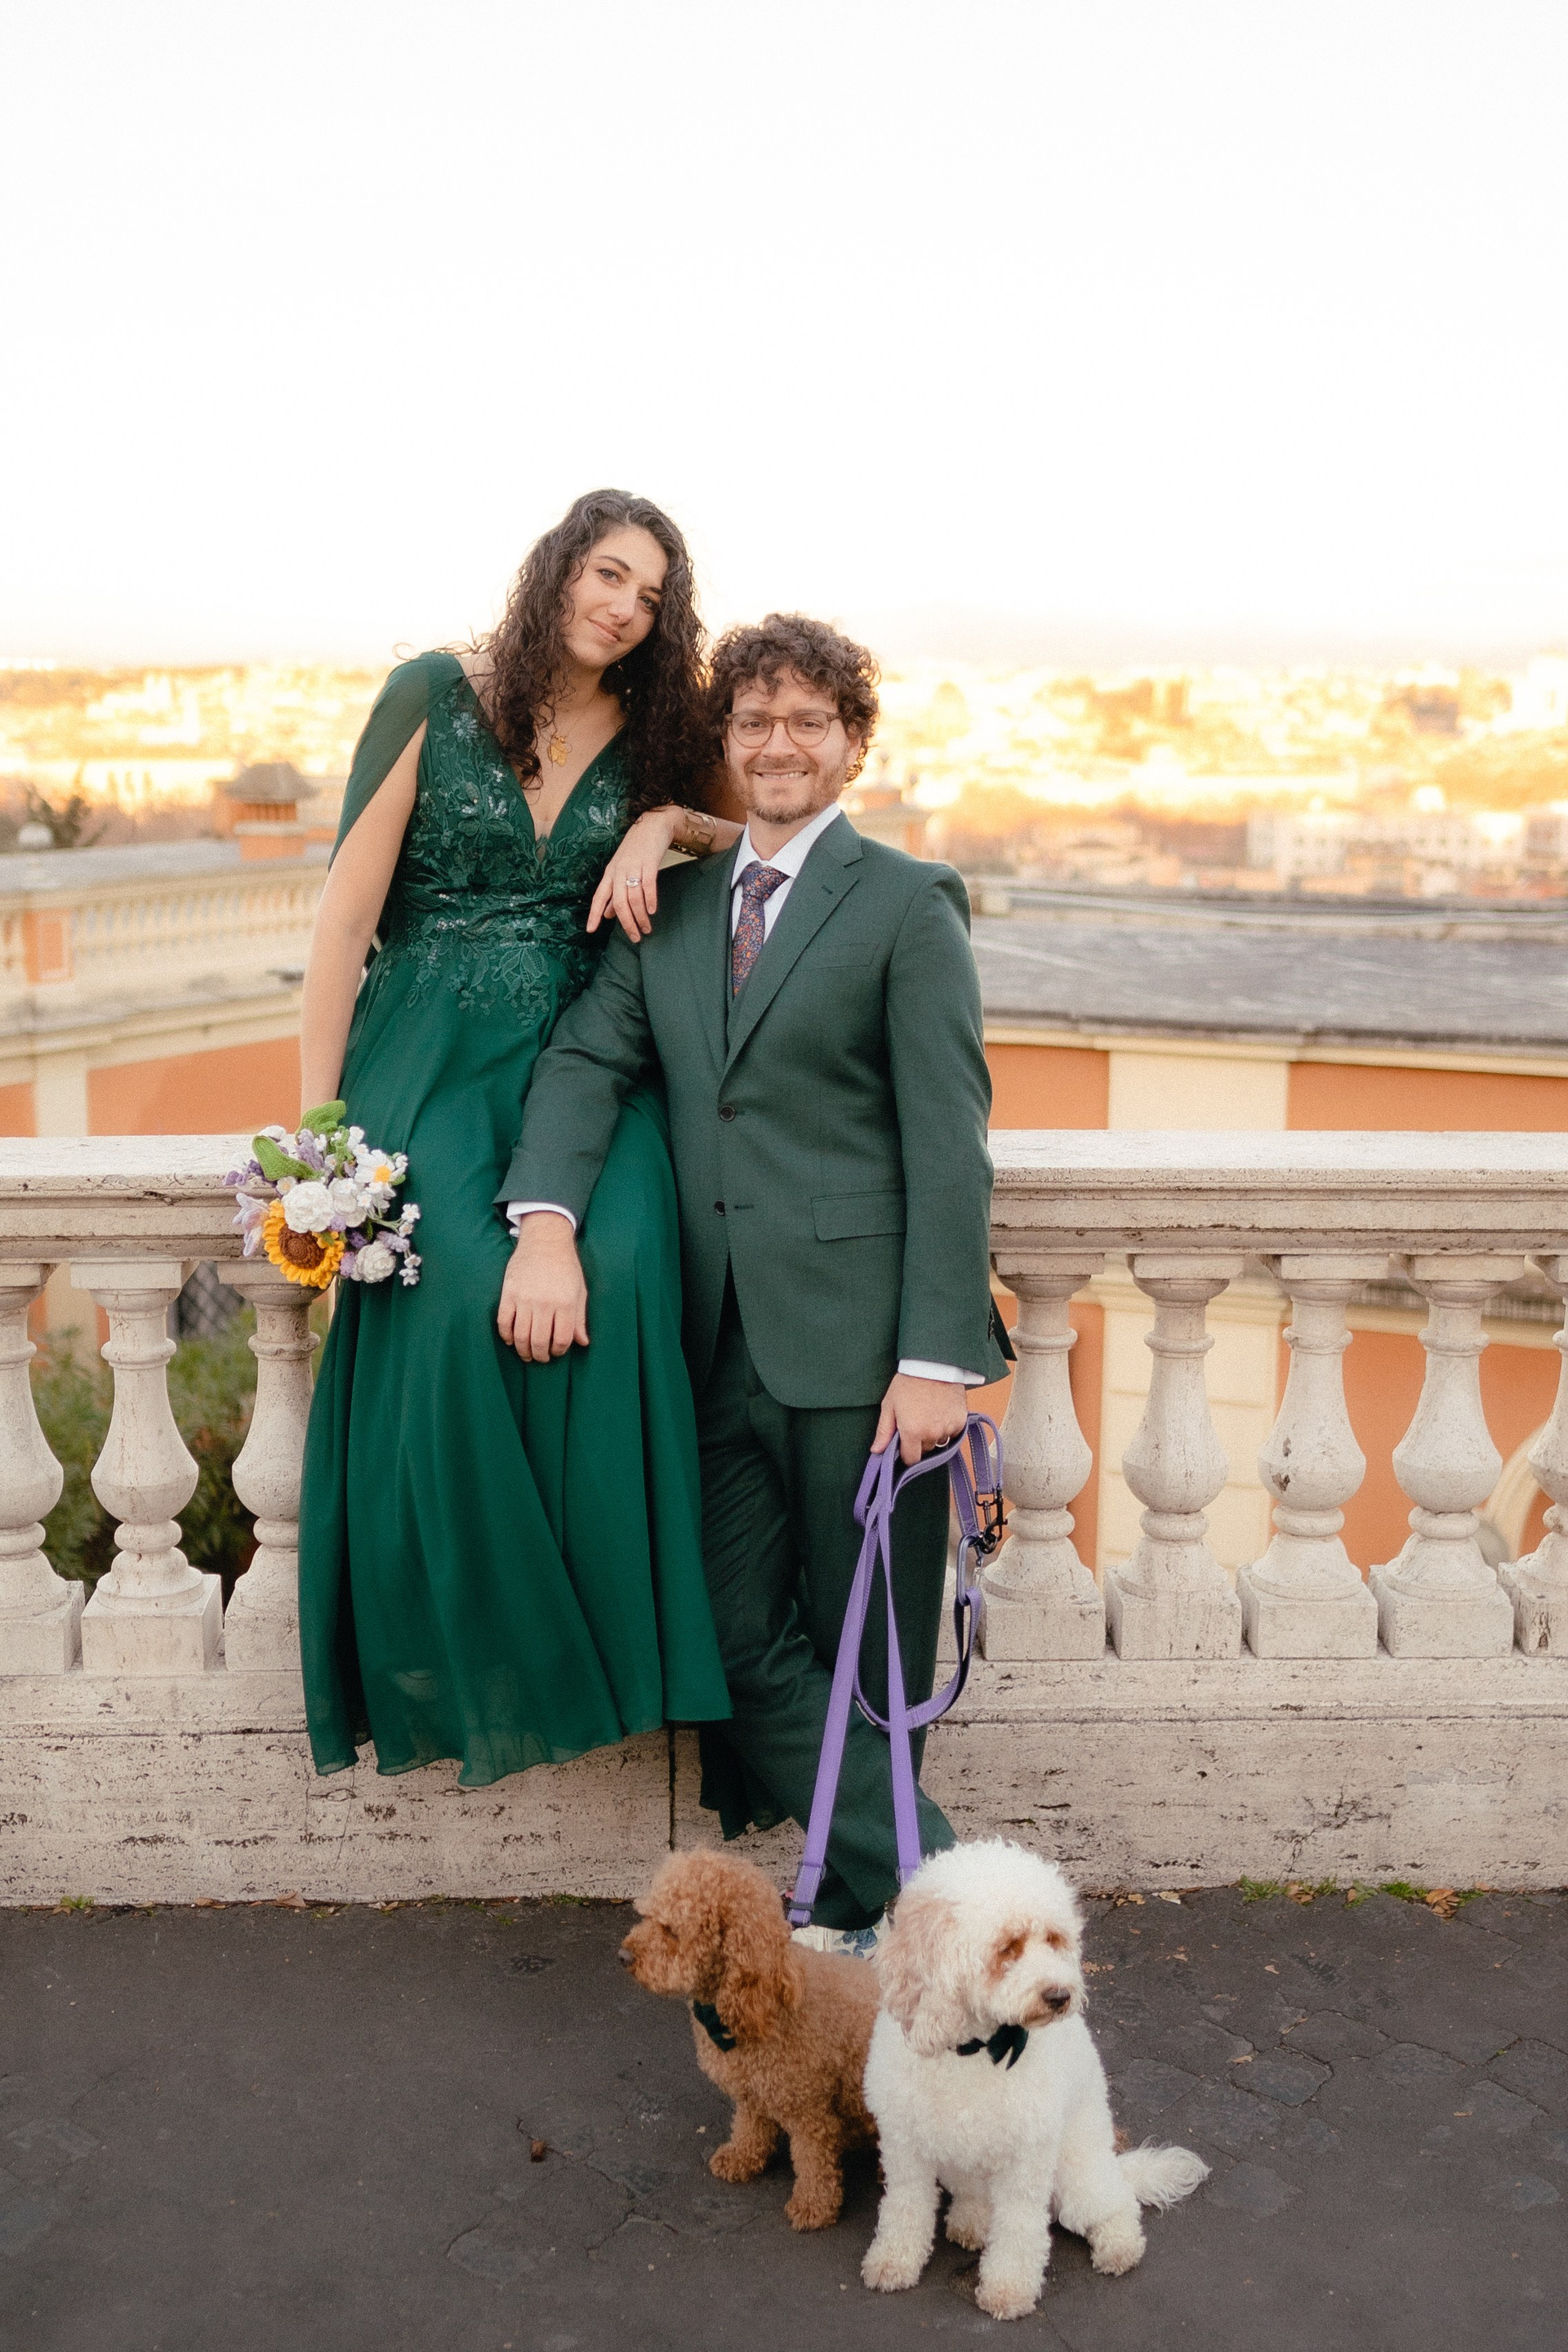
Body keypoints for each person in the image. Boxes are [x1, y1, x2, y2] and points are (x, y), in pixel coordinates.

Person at [497, 613, 1011, 1949]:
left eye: (808, 722)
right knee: (727, 1636)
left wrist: (937, 1361)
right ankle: (961, 1910)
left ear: (853, 746)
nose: (780, 744)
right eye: (755, 721)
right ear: (725, 742)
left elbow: (948, 1141)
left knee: (872, 1653)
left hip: (864, 1353)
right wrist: (545, 1221)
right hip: (710, 1347)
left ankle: (857, 1908)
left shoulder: (908, 902)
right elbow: (586, 1063)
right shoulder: (667, 909)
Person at [295, 488, 746, 1787]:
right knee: (457, 1304)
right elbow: (342, 922)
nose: (625, 608)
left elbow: (755, 833)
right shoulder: (433, 694)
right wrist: (319, 1136)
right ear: (558, 570)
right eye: (608, 574)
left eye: (651, 596)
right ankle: (481, 1654)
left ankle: (614, 1651)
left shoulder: (660, 734)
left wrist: (662, 824)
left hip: (587, 1056)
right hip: (428, 1055)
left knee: (629, 1268)